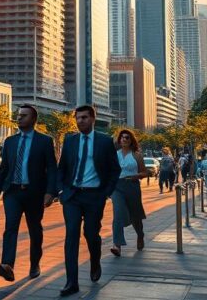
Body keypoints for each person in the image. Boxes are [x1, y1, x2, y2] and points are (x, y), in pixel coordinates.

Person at [56, 105, 120, 297]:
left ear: (93, 119)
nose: (80, 121)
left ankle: (95, 260)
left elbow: (114, 170)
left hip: (94, 196)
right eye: (78, 118)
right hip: (72, 196)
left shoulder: (105, 141)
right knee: (71, 235)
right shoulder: (70, 140)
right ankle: (71, 282)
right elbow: (62, 168)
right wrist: (61, 189)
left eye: (84, 117)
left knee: (91, 234)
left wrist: (106, 193)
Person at [0, 104, 57, 282]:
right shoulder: (10, 141)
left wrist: (50, 192)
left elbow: (51, 168)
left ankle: (34, 263)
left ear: (33, 119)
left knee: (35, 229)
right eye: (19, 115)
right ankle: (7, 265)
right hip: (12, 192)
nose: (19, 118)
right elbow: (4, 168)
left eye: (24, 116)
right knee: (10, 228)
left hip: (34, 193)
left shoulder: (44, 141)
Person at [110, 129, 148, 257]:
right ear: (119, 140)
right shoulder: (114, 154)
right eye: (122, 137)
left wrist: (136, 176)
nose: (124, 139)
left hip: (132, 186)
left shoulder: (137, 155)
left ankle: (140, 235)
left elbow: (145, 172)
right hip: (117, 187)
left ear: (131, 140)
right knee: (118, 213)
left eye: (127, 137)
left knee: (135, 215)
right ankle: (117, 245)